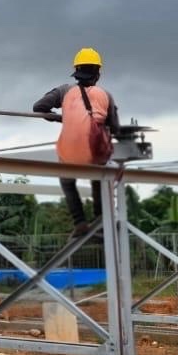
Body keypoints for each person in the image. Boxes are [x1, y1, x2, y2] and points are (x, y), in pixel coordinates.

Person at [33, 48, 119, 238]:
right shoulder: (105, 95)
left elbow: (38, 107)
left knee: (67, 181)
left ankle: (80, 222)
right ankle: (100, 219)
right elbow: (114, 127)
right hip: (95, 153)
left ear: (76, 70)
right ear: (98, 74)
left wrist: (62, 118)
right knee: (98, 177)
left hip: (69, 152)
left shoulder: (64, 90)